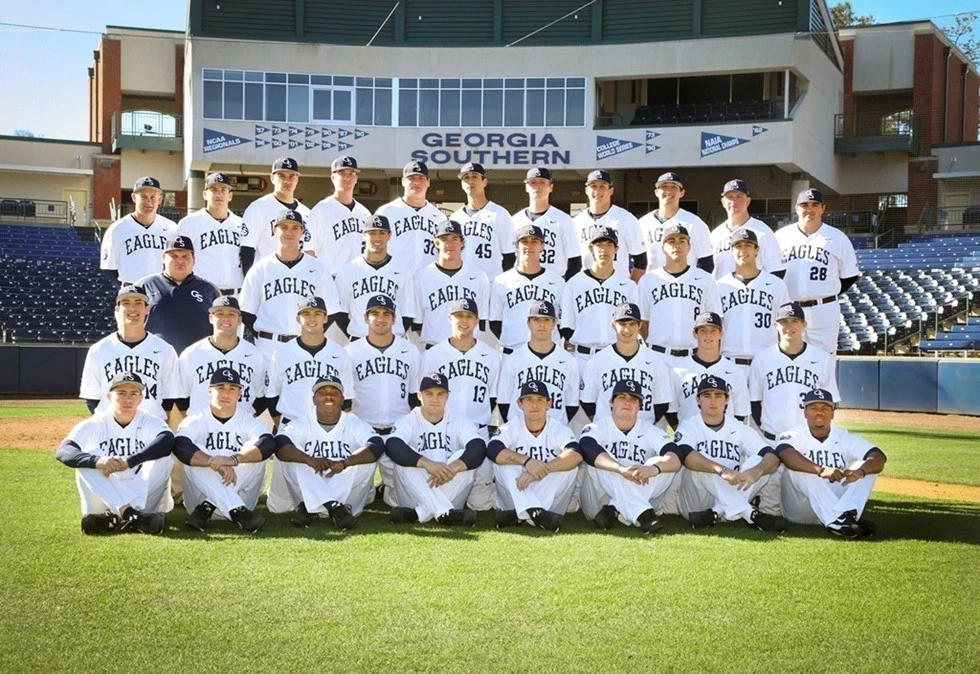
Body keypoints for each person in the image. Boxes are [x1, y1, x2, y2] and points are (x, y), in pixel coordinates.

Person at [56, 372, 174, 535]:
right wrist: (98, 461)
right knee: (88, 457)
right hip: (104, 493)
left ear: (140, 398)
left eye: (134, 393)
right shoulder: (96, 423)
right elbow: (64, 451)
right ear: (109, 396)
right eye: (121, 393)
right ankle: (132, 515)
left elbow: (167, 441)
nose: (128, 399)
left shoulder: (149, 421)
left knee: (164, 457)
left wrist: (130, 461)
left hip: (141, 492)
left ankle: (113, 518)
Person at [271, 376, 386, 530]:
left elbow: (376, 445)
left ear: (342, 399)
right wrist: (309, 460)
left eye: (334, 392)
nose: (329, 396)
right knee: (294, 461)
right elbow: (280, 444)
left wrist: (345, 463)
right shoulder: (302, 422)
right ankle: (335, 508)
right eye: (322, 392)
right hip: (316, 480)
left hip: (343, 482)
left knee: (366, 462)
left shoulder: (353, 422)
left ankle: (312, 507)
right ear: (314, 399)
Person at [673, 375, 786, 532]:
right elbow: (685, 456)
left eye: (718, 396)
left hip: (705, 513)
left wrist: (757, 471)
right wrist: (721, 470)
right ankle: (750, 514)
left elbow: (772, 456)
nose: (713, 401)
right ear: (698, 400)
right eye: (707, 396)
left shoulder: (738, 428)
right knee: (701, 463)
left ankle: (716, 512)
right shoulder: (689, 426)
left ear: (727, 400)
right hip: (696, 502)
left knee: (762, 461)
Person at [172, 368, 274, 533]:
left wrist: (233, 459)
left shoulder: (246, 419)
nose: (226, 394)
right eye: (220, 388)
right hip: (198, 500)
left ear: (240, 393)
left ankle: (210, 505)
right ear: (209, 391)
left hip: (234, 500)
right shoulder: (197, 418)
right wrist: (215, 463)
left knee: (256, 453)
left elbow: (268, 443)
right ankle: (235, 510)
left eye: (232, 389)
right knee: (195, 451)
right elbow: (180, 445)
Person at [420, 297, 499, 511]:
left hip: (477, 431)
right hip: (444, 429)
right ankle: (438, 508)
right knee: (440, 482)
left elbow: (493, 397)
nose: (464, 321)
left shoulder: (490, 355)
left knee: (480, 505)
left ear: (476, 321)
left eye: (469, 316)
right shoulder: (433, 355)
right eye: (459, 316)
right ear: (450, 319)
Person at [774, 389, 886, 538]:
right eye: (813, 408)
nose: (819, 412)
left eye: (825, 408)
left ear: (832, 413)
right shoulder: (794, 434)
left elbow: (878, 457)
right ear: (805, 412)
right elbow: (784, 453)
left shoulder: (843, 437)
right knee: (800, 467)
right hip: (801, 508)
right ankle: (841, 518)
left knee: (867, 468)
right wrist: (820, 470)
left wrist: (860, 472)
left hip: (835, 501)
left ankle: (845, 516)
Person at [577, 379, 683, 533]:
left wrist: (653, 469)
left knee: (660, 463)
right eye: (622, 398)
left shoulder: (649, 430)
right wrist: (620, 469)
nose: (627, 403)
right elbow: (587, 447)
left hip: (607, 511)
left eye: (633, 399)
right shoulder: (597, 427)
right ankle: (644, 514)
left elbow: (675, 456)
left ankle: (614, 509)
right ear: (611, 403)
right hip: (598, 499)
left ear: (640, 406)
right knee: (605, 460)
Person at [345, 295, 421, 504]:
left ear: (394, 319)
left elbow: (415, 397)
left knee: (406, 501)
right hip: (364, 433)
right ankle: (372, 490)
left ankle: (387, 489)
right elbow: (346, 400)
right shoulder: (351, 352)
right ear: (365, 318)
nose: (380, 319)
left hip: (398, 433)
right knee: (354, 499)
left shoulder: (410, 351)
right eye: (375, 314)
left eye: (386, 314)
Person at [384, 372, 487, 525]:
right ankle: (444, 513)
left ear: (448, 396)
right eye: (429, 393)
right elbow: (392, 445)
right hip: (413, 494)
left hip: (449, 490)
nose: (435, 399)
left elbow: (478, 447)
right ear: (419, 395)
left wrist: (452, 468)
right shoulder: (409, 420)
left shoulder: (459, 420)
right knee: (406, 459)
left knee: (462, 457)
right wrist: (427, 464)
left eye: (440, 394)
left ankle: (419, 514)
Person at [239, 209, 342, 360]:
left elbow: (331, 310)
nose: (289, 232)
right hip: (268, 346)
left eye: (295, 228)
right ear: (274, 230)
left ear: (303, 232)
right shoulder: (260, 268)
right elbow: (246, 312)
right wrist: (264, 334)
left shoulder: (318, 268)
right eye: (284, 227)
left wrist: (312, 335)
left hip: (305, 345)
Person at [486, 381, 582, 531]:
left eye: (540, 400)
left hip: (548, 495)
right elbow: (493, 449)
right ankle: (536, 513)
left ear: (549, 404)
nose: (534, 405)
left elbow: (576, 454)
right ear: (520, 404)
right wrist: (527, 461)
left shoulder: (557, 428)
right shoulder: (512, 426)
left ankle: (521, 514)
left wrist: (542, 469)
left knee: (570, 467)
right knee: (503, 463)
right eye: (529, 400)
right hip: (519, 491)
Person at [774, 188, 860, 353]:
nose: (810, 209)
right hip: (789, 309)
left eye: (815, 205)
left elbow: (850, 276)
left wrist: (824, 291)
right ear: (796, 208)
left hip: (824, 309)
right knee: (788, 358)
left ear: (823, 208)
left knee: (825, 359)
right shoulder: (780, 237)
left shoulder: (837, 237)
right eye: (805, 205)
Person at [79, 285, 179, 423]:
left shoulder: (165, 350)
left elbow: (169, 397)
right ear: (117, 310)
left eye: (138, 303)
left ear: (147, 309)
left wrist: (157, 423)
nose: (133, 308)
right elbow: (92, 398)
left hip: (150, 427)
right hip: (109, 428)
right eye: (126, 303)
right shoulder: (99, 350)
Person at [749, 302, 839, 442]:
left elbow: (830, 401)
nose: (789, 327)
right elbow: (754, 401)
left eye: (795, 321)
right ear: (776, 326)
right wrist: (764, 428)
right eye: (784, 322)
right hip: (771, 440)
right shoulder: (761, 359)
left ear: (804, 324)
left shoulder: (822, 358)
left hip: (807, 441)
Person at [264, 296, 353, 431]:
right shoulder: (281, 353)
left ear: (325, 318)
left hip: (328, 427)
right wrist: (280, 425)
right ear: (298, 318)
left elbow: (346, 400)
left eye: (317, 313)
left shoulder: (340, 353)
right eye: (306, 314)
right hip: (291, 425)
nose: (312, 319)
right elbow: (271, 396)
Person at [637, 223, 721, 362]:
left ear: (689, 247)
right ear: (663, 247)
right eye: (671, 241)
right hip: (658, 356)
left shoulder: (705, 279)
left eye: (682, 241)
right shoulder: (648, 280)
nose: (677, 245)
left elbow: (715, 320)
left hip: (694, 356)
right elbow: (643, 322)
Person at [581, 302, 673, 426]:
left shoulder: (655, 360)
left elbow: (662, 403)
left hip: (643, 431)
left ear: (640, 325)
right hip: (606, 432)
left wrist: (643, 425)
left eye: (632, 324)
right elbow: (587, 402)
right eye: (622, 324)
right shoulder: (597, 361)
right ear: (613, 325)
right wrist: (606, 424)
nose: (627, 329)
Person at [560, 226, 638, 370]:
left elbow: (634, 325)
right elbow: (566, 326)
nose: (604, 249)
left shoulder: (628, 285)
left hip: (617, 357)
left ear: (616, 249)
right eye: (599, 244)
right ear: (591, 248)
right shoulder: (574, 284)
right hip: (584, 358)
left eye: (609, 245)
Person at [716, 228, 790, 382]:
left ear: (757, 250)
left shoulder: (776, 285)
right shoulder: (720, 286)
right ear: (731, 250)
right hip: (730, 362)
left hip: (766, 362)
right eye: (738, 246)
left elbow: (784, 326)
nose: (743, 250)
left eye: (748, 245)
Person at [177, 296, 267, 416]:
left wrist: (247, 418)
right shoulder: (191, 354)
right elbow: (181, 398)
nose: (225, 318)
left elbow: (261, 397)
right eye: (219, 313)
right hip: (202, 429)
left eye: (231, 314)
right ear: (210, 318)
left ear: (240, 320)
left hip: (241, 428)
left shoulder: (255, 355)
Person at [497, 300, 580, 424]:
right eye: (536, 320)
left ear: (554, 323)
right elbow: (504, 401)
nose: (542, 325)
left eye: (546, 320)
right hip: (519, 431)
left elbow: (572, 404)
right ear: (528, 323)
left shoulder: (568, 361)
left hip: (555, 431)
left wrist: (556, 425)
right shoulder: (514, 359)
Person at [334, 214, 416, 341]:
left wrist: (390, 336)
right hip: (359, 339)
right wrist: (358, 333)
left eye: (382, 233)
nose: (377, 237)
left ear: (389, 235)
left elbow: (408, 313)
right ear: (364, 235)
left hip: (394, 340)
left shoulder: (402, 270)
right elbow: (340, 312)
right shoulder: (348, 270)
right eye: (372, 233)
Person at [489, 223, 565, 354]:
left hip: (548, 353)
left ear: (542, 246)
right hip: (512, 351)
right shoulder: (501, 281)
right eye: (524, 241)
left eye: (534, 241)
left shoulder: (558, 282)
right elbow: (495, 322)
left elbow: (562, 322)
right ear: (516, 246)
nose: (529, 246)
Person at [138, 235, 221, 355]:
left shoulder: (209, 290)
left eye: (186, 256)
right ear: (163, 258)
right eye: (174, 256)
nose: (180, 261)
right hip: (155, 357)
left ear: (194, 259)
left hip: (198, 358)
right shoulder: (145, 286)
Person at [412, 220, 490, 348]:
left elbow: (481, 321)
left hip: (469, 350)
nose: (450, 244)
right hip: (434, 348)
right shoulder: (422, 277)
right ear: (436, 243)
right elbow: (417, 324)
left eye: (455, 239)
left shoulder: (479, 277)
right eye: (444, 239)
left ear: (462, 243)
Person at [669, 312, 749, 425]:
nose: (708, 335)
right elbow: (671, 411)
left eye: (713, 330)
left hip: (724, 439)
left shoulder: (735, 371)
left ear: (721, 333)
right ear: (695, 334)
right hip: (689, 437)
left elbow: (741, 412)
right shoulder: (678, 369)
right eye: (703, 330)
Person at [174, 172, 245, 295]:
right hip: (201, 293)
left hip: (237, 294)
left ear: (230, 196)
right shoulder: (189, 223)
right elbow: (177, 259)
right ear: (205, 194)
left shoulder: (242, 225)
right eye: (213, 189)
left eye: (223, 190)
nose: (219, 194)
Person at [240, 157, 312, 274]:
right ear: (272, 178)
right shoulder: (258, 208)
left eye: (291, 176)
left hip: (298, 279)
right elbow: (247, 249)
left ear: (297, 179)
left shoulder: (306, 213)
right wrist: (249, 283)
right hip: (267, 276)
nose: (287, 181)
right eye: (281, 176)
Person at [374, 160, 448, 272]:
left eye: (421, 178)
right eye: (412, 178)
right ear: (403, 181)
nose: (416, 182)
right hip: (394, 277)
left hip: (428, 280)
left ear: (428, 182)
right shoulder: (386, 212)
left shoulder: (439, 217)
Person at [100, 176, 177, 284]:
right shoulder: (117, 228)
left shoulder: (171, 227)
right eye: (143, 196)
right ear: (134, 198)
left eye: (153, 197)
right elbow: (108, 267)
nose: (148, 201)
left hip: (163, 290)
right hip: (132, 290)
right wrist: (127, 290)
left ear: (160, 199)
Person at [573, 170, 646, 282]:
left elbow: (641, 262)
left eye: (602, 186)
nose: (597, 191)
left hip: (618, 285)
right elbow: (571, 262)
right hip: (586, 287)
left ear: (611, 190)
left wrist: (629, 287)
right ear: (586, 190)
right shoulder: (577, 221)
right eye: (593, 186)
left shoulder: (626, 218)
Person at [510, 166, 581, 280]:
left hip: (555, 282)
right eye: (533, 182)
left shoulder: (563, 220)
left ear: (550, 187)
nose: (537, 186)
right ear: (526, 187)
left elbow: (575, 260)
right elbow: (509, 257)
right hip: (521, 283)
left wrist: (565, 284)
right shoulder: (515, 220)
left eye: (542, 182)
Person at [449, 162, 516, 281]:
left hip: (491, 281)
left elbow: (509, 256)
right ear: (462, 184)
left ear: (484, 182)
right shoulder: (456, 217)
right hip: (461, 281)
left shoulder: (500, 214)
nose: (470, 181)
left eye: (475, 177)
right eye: (466, 178)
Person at [307, 156, 373, 277]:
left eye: (351, 173)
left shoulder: (364, 213)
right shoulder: (321, 210)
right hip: (331, 279)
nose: (347, 178)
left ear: (356, 179)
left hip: (359, 280)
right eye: (342, 173)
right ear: (333, 178)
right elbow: (308, 251)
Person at [710, 179, 785, 280]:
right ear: (723, 202)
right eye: (730, 197)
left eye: (739, 196)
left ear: (748, 201)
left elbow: (776, 270)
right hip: (722, 292)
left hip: (753, 292)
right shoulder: (716, 235)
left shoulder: (762, 231)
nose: (734, 201)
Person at [638, 172, 713, 272]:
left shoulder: (694, 223)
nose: (669, 191)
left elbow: (706, 261)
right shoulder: (643, 223)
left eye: (674, 187)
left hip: (684, 283)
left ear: (682, 193)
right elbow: (635, 259)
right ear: (656, 192)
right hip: (651, 284)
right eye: (664, 186)